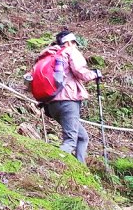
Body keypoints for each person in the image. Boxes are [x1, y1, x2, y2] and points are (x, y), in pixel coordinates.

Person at [43, 30, 101, 163]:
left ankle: (81, 167)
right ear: (68, 42)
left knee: (82, 137)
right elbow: (80, 72)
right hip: (68, 101)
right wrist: (95, 74)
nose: (75, 45)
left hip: (51, 104)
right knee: (70, 140)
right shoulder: (69, 51)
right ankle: (54, 165)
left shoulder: (50, 55)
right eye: (74, 42)